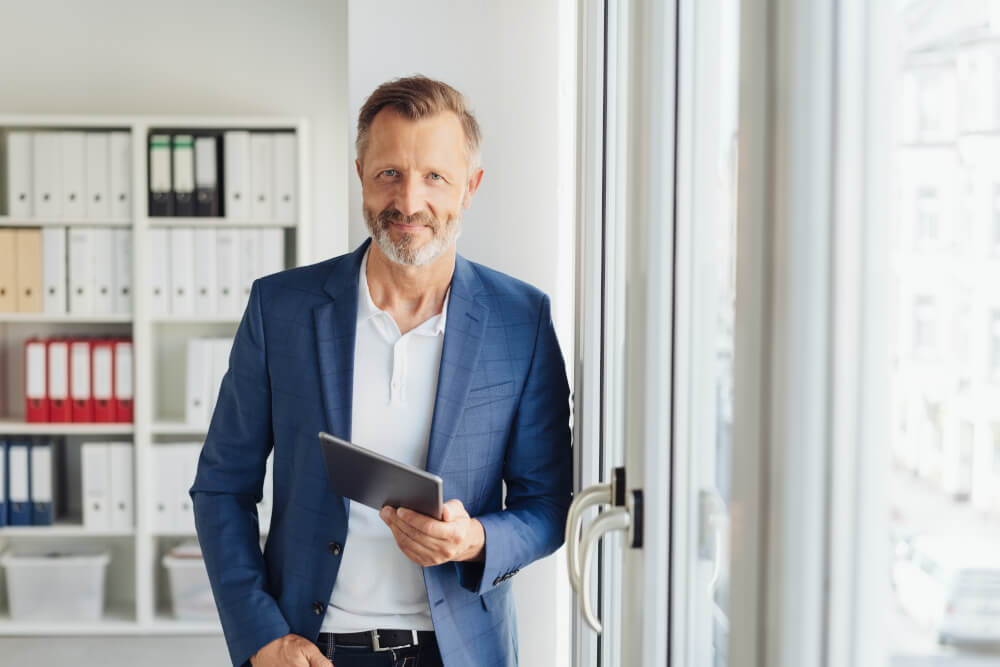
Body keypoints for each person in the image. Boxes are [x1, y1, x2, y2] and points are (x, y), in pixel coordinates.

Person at [190, 75, 573, 667]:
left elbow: (548, 504)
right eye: (389, 173)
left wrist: (475, 540)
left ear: (470, 186)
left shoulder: (521, 319)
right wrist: (259, 635)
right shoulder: (281, 308)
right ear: (362, 176)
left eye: (435, 177)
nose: (409, 202)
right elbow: (222, 486)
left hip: (461, 653)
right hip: (309, 651)